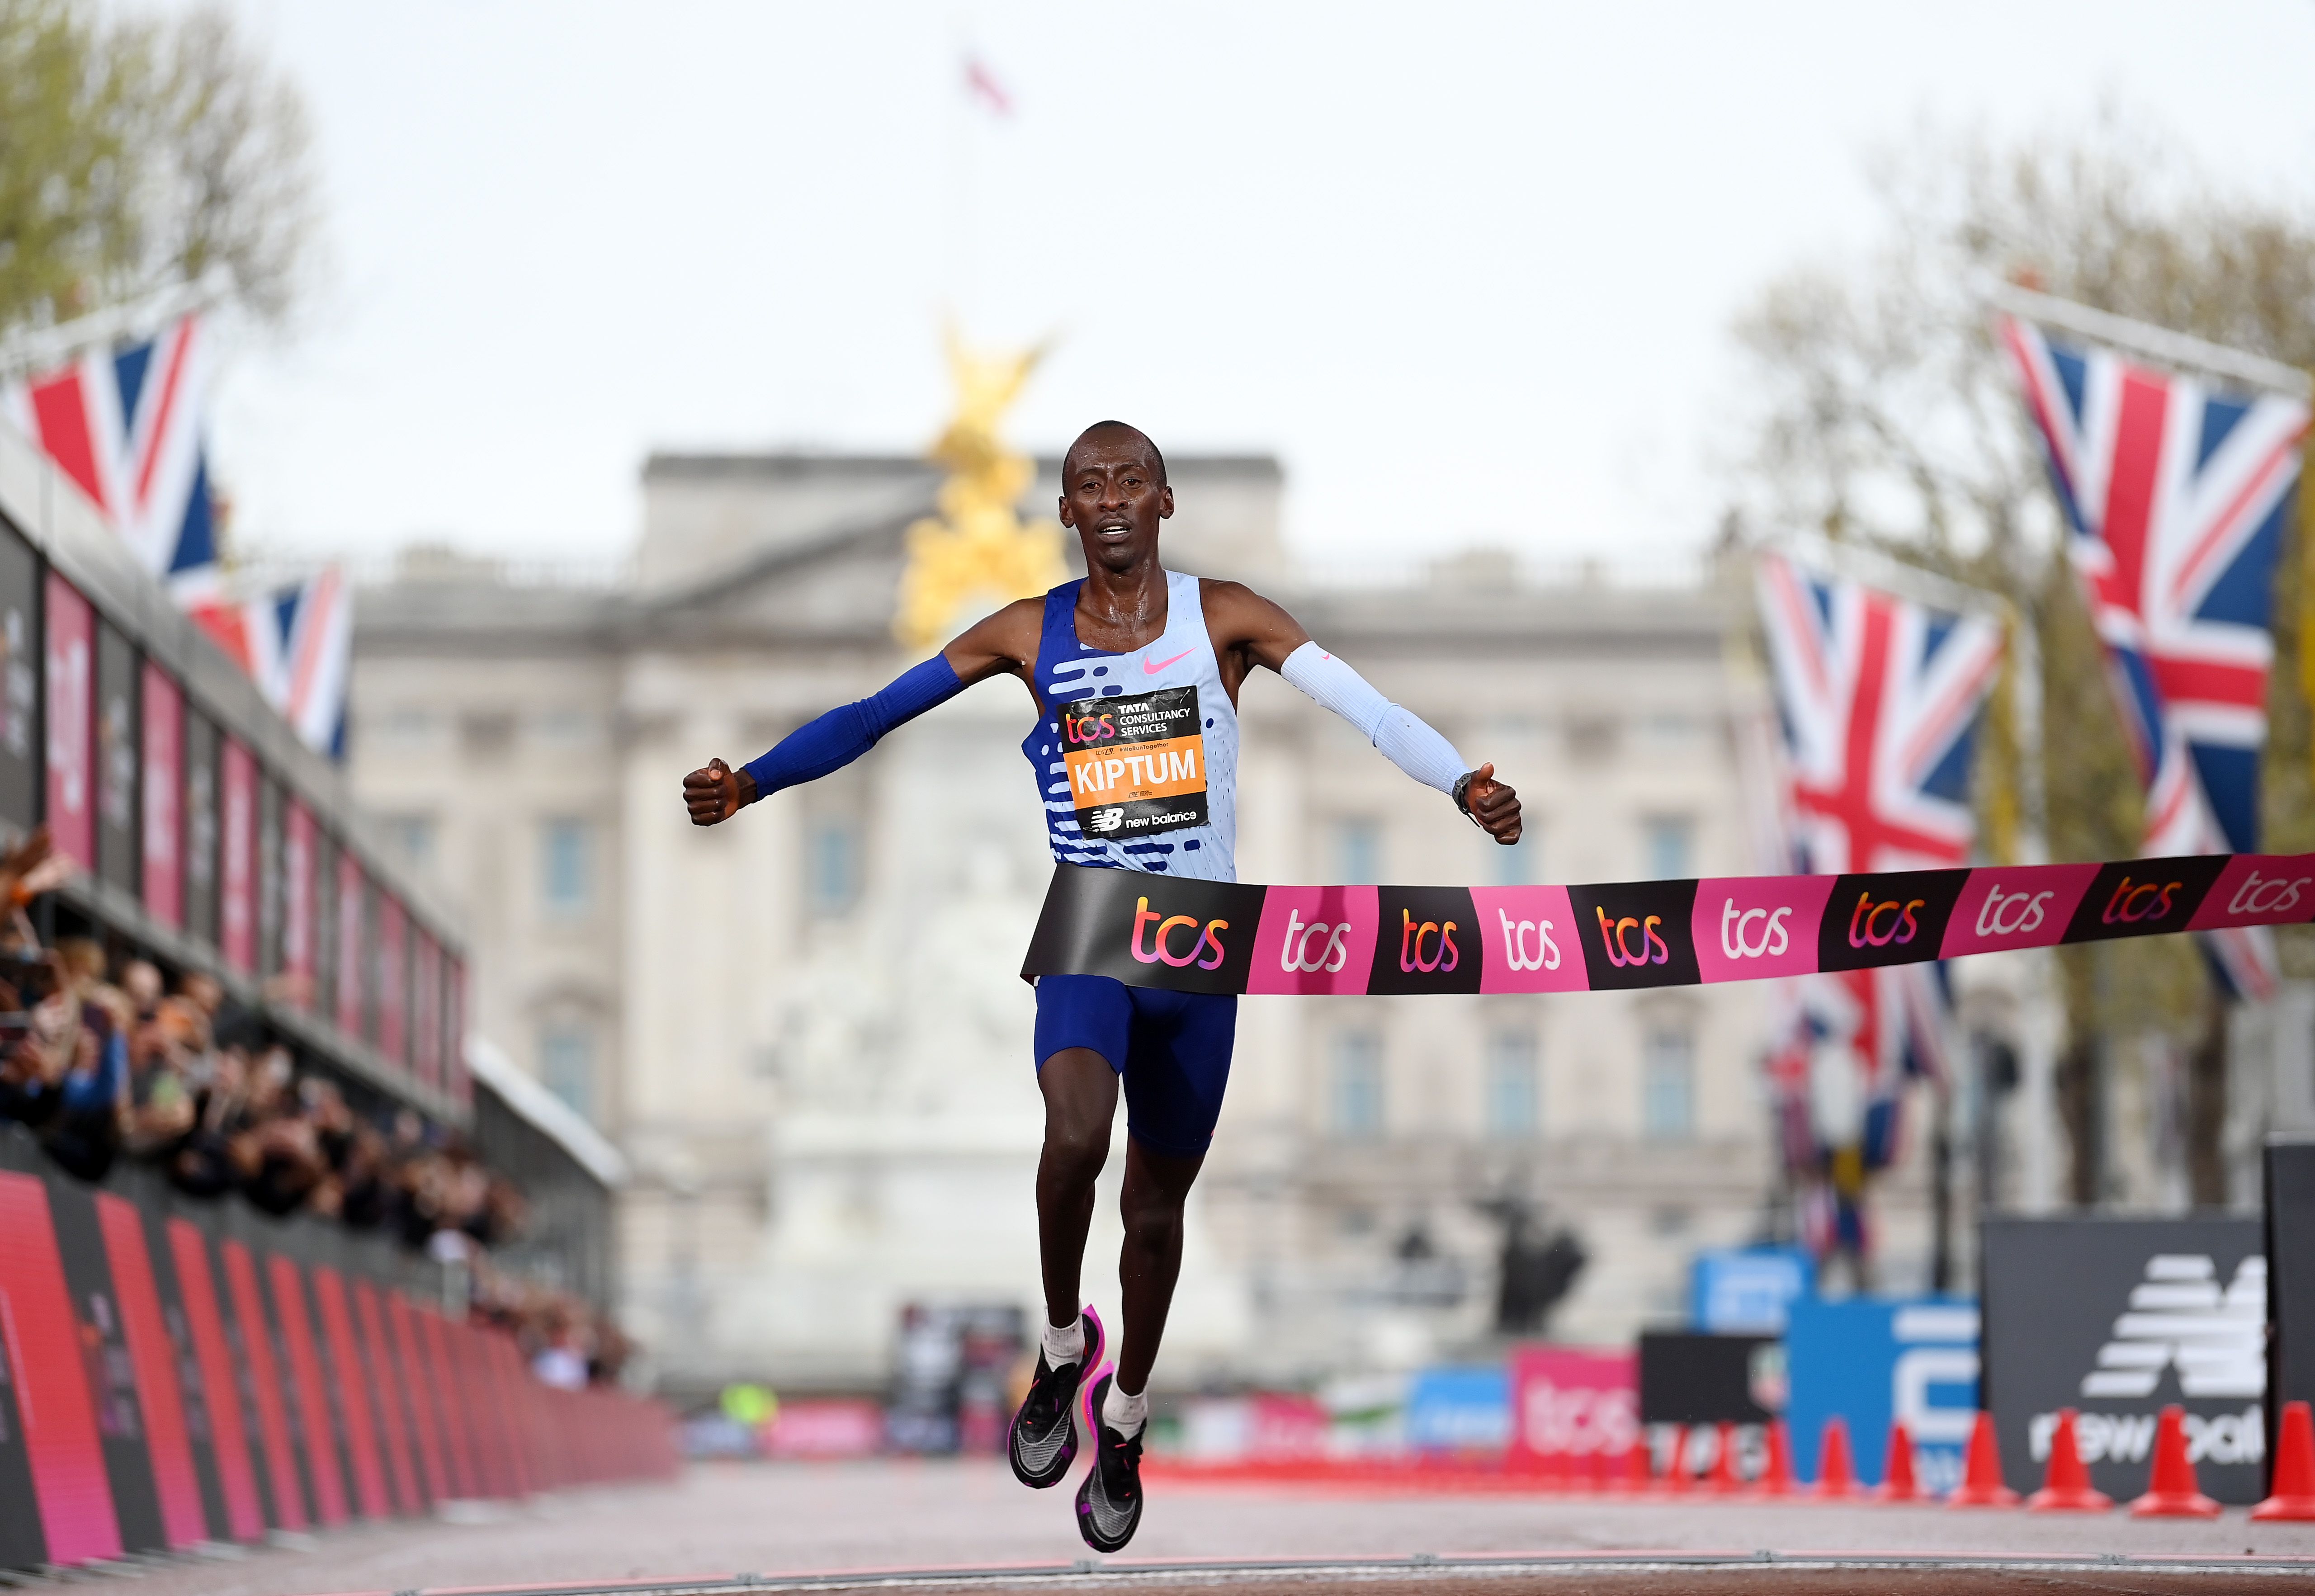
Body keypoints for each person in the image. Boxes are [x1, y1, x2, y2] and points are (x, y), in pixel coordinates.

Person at [683, 420, 1521, 1550]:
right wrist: (753, 782)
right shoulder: (1027, 633)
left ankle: (1123, 1415)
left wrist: (1458, 779)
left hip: (1203, 950)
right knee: (1074, 1136)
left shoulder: (1225, 613)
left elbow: (1360, 705)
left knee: (1157, 1211)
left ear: (1164, 502)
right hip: (1092, 926)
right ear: (1068, 513)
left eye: (1132, 480)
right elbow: (875, 716)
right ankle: (1060, 1341)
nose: (1113, 497)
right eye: (1090, 485)